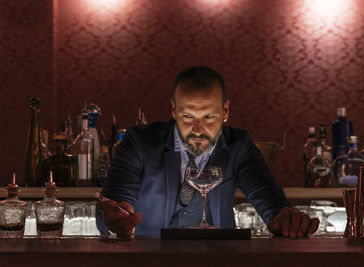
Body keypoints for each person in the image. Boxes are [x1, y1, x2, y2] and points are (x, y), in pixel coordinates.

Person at [96, 66, 319, 238]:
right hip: (149, 261)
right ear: (173, 110)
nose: (198, 130)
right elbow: (113, 203)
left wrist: (285, 218)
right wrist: (116, 220)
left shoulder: (238, 145)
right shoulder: (139, 142)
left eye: (209, 117)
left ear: (225, 111)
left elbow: (270, 200)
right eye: (187, 116)